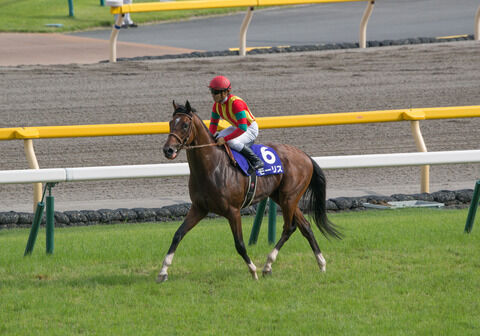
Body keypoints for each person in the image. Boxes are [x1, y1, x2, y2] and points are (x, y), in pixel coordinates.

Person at [208, 75, 264, 170]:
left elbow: (243, 128)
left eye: (215, 92)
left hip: (249, 129)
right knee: (216, 138)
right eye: (212, 91)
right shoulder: (216, 106)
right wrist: (209, 138)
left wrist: (225, 139)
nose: (213, 95)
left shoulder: (236, 104)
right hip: (236, 127)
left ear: (225, 92)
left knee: (230, 141)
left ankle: (256, 160)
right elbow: (213, 125)